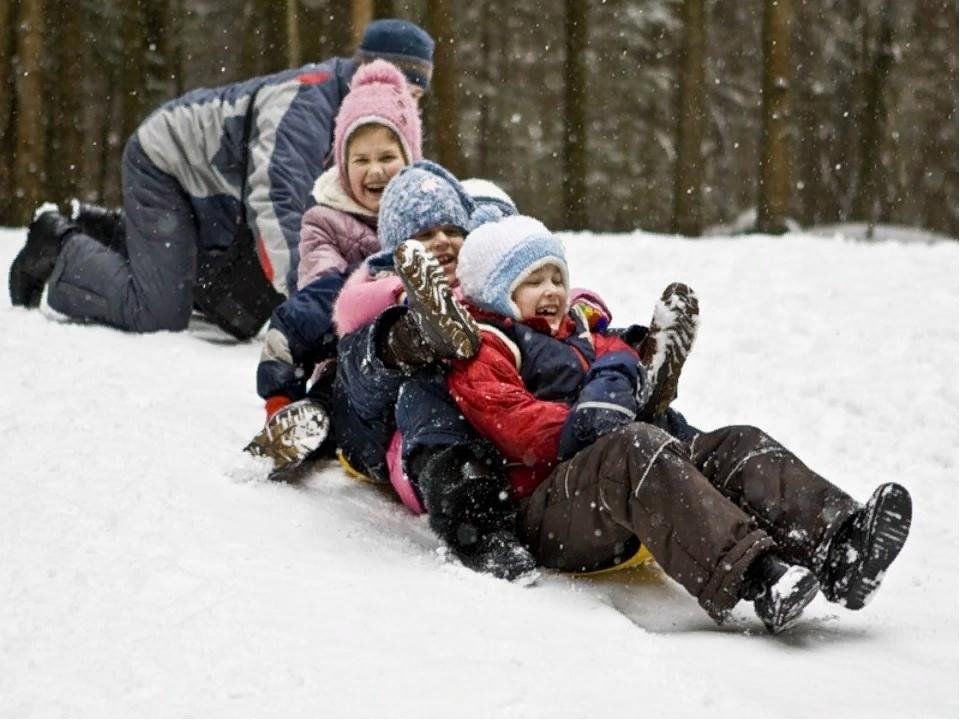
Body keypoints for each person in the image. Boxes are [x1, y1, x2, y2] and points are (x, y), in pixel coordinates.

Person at [422, 213, 913, 633]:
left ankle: (839, 545)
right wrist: (582, 422)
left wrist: (622, 384)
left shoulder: (590, 336)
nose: (550, 290)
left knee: (730, 444)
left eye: (557, 277)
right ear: (495, 290)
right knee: (632, 446)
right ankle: (760, 575)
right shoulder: (487, 345)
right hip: (550, 508)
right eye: (532, 281)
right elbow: (512, 420)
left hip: (625, 483)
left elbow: (623, 368)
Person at [8, 19, 434, 340]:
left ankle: (112, 231)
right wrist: (314, 299)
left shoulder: (370, 124)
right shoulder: (306, 104)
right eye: (406, 94)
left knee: (238, 313)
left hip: (221, 192)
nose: (408, 109)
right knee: (158, 312)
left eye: (416, 101)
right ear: (376, 75)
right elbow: (275, 199)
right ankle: (60, 245)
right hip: (168, 165)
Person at [245, 58, 422, 467]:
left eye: (387, 156)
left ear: (410, 156)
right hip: (348, 355)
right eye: (360, 159)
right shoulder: (322, 222)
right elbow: (323, 297)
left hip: (424, 357)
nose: (375, 170)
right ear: (342, 164)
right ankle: (307, 426)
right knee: (339, 385)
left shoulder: (429, 217)